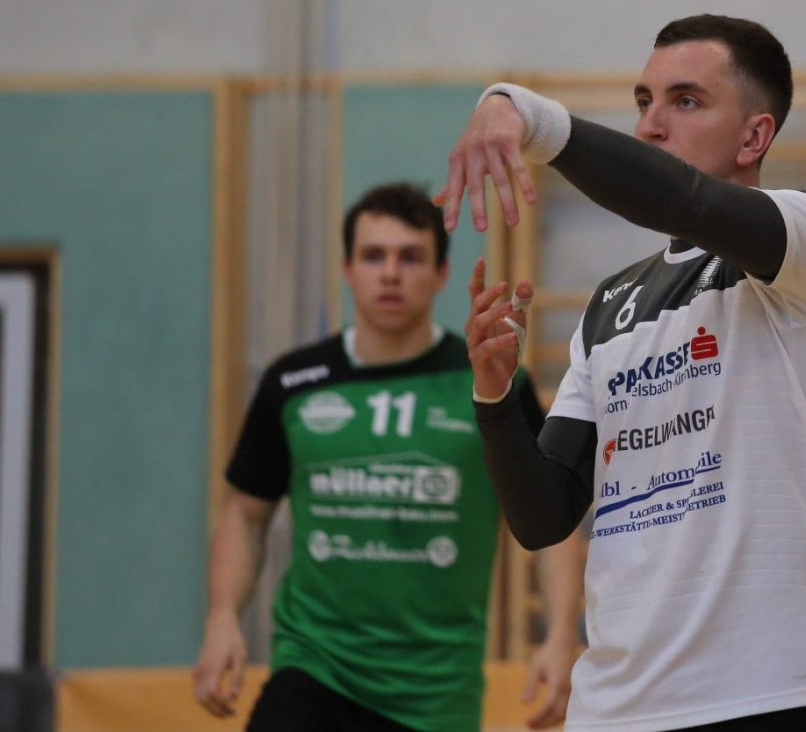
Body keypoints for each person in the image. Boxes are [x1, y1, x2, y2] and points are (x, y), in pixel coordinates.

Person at [438, 16, 806, 731]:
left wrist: (529, 114)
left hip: (774, 696)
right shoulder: (610, 304)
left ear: (754, 137)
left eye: (685, 101)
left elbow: (681, 199)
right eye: (643, 101)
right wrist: (495, 392)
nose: (650, 125)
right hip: (614, 710)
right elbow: (543, 516)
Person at [192, 183, 585, 732]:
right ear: (348, 269)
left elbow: (555, 523)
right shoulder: (294, 382)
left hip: (435, 696)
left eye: (411, 257)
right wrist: (221, 618)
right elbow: (245, 514)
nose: (391, 273)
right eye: (374, 256)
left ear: (441, 274)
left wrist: (561, 636)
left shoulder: (493, 384)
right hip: (313, 671)